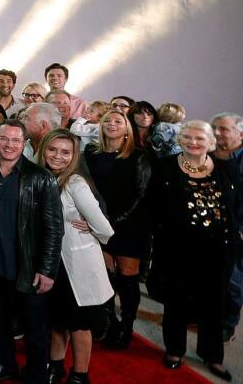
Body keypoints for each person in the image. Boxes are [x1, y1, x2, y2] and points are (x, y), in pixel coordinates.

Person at [143, 120, 236, 380]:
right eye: (188, 138)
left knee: (214, 304)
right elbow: (151, 207)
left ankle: (212, 356)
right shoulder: (164, 168)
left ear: (211, 142)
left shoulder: (226, 168)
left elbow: (235, 205)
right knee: (176, 302)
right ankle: (175, 350)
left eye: (200, 138)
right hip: (177, 250)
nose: (193, 143)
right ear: (180, 140)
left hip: (217, 250)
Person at [0, 120, 63, 384]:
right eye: (4, 139)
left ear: (24, 143)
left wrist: (47, 270)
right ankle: (6, 364)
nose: (9, 145)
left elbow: (53, 227)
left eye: (15, 140)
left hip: (26, 266)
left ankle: (36, 374)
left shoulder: (39, 177)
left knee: (34, 327)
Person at [40, 129, 114, 384]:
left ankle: (80, 374)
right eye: (53, 150)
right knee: (58, 320)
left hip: (78, 264)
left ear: (73, 157)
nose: (58, 156)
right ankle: (56, 365)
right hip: (53, 264)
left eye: (65, 152)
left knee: (80, 324)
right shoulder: (41, 177)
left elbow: (105, 228)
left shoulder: (75, 183)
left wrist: (89, 227)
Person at [82, 110, 149, 349]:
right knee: (105, 276)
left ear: (127, 128)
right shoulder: (90, 152)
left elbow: (141, 195)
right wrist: (96, 220)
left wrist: (112, 222)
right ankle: (108, 320)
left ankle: (127, 325)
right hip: (97, 222)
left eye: (117, 121)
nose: (111, 124)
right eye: (107, 121)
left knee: (127, 279)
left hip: (129, 225)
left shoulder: (139, 156)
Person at [211, 112, 243, 343]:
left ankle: (227, 323)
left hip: (238, 231)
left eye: (223, 129)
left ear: (240, 133)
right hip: (210, 227)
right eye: (214, 128)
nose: (217, 133)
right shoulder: (208, 154)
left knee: (233, 280)